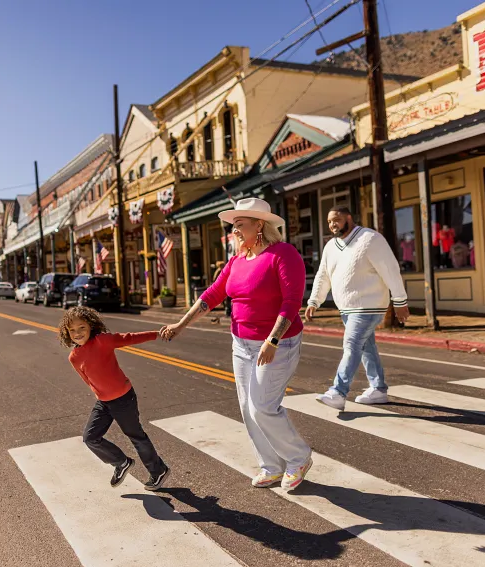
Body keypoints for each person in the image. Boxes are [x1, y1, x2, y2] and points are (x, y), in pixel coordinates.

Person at [160, 198, 312, 491]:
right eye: (233, 226)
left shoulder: (283, 254)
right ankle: (271, 466)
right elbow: (212, 295)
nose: (235, 231)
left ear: (260, 225)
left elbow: (292, 301)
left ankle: (298, 457)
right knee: (246, 407)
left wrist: (273, 339)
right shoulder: (237, 261)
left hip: (277, 344)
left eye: (240, 225)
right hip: (241, 344)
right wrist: (181, 324)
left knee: (262, 407)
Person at [305, 206, 409, 411]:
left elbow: (390, 270)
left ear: (349, 218)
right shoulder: (331, 246)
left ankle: (338, 392)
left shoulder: (370, 239)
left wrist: (400, 301)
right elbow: (323, 275)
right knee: (366, 348)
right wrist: (314, 301)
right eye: (329, 221)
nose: (332, 224)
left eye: (337, 219)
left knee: (352, 344)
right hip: (347, 308)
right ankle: (378, 389)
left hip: (368, 306)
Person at [59, 306, 171, 491]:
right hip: (103, 402)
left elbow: (130, 338)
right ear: (67, 333)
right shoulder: (74, 357)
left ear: (90, 326)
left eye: (81, 328)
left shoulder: (102, 341)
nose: (77, 333)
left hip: (123, 398)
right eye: (72, 330)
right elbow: (88, 380)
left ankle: (158, 471)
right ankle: (121, 462)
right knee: (90, 438)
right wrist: (102, 396)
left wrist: (157, 334)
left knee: (136, 436)